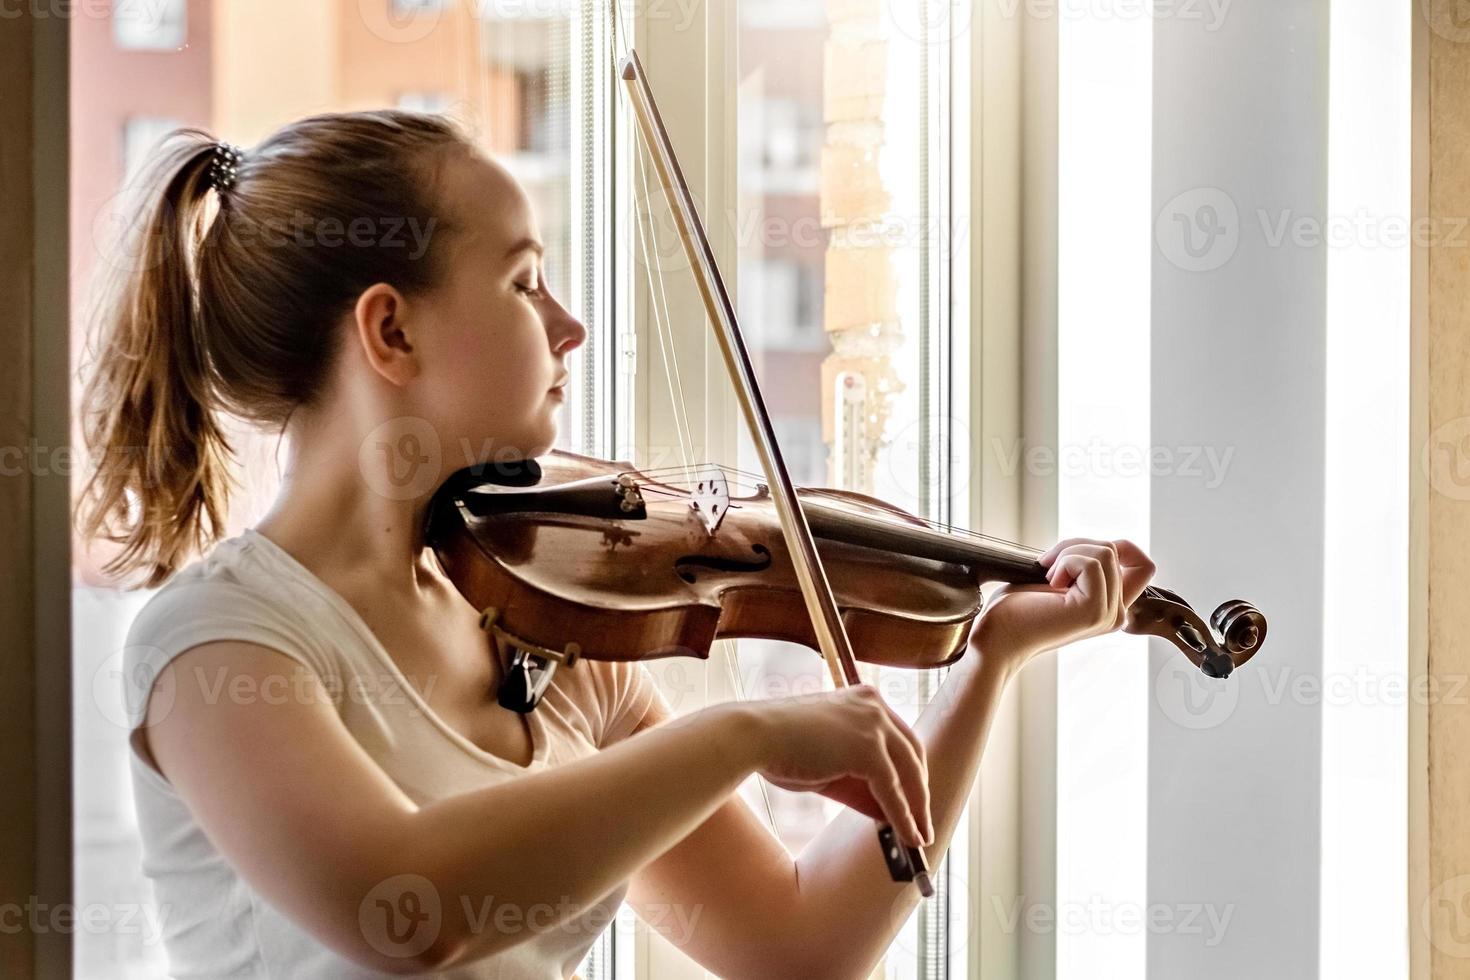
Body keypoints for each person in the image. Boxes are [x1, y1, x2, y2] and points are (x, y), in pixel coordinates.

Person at [76, 110, 1156, 979]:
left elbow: (795, 944)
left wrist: (986, 657)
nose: (567, 324)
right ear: (390, 331)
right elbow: (406, 911)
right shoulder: (218, 644)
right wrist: (741, 734)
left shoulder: (551, 626)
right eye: (521, 278)